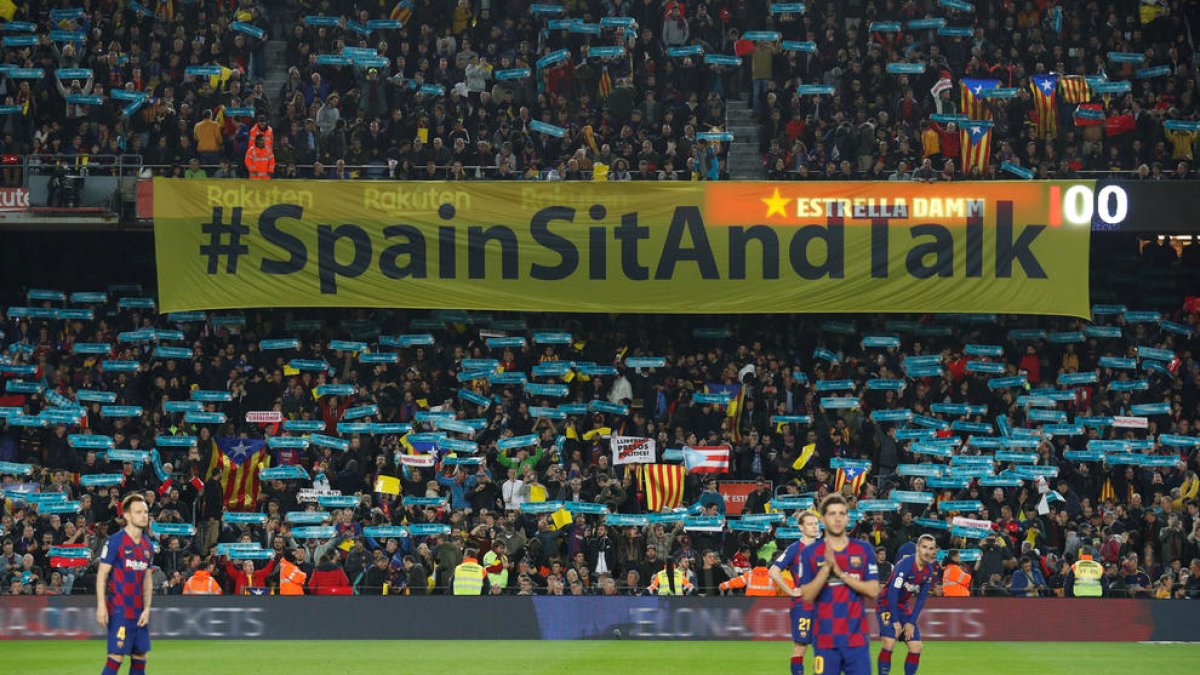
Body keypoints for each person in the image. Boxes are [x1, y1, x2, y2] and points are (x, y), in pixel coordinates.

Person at [796, 494, 880, 675]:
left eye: (842, 513)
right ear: (823, 519)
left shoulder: (863, 549)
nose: (837, 518)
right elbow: (808, 595)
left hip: (856, 641)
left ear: (848, 518)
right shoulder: (810, 553)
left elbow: (874, 590)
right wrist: (826, 569)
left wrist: (841, 574)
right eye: (832, 514)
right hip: (825, 641)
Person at [96, 493, 154, 675]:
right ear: (127, 515)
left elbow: (147, 579)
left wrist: (147, 608)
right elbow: (102, 575)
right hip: (120, 608)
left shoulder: (147, 545)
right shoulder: (116, 541)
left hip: (139, 611)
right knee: (116, 656)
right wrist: (101, 606)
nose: (144, 515)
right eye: (139, 512)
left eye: (145, 512)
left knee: (140, 656)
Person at [769, 510, 823, 674]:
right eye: (810, 524)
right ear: (801, 527)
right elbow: (773, 571)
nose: (814, 527)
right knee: (800, 648)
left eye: (815, 524)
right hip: (804, 606)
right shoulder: (794, 548)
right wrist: (791, 591)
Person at [877, 534, 938, 675]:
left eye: (931, 548)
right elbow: (892, 592)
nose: (927, 551)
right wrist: (896, 621)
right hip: (886, 604)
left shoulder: (928, 571)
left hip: (902, 607)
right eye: (924, 547)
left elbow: (922, 598)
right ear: (917, 548)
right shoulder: (905, 564)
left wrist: (911, 622)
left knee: (916, 646)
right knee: (889, 642)